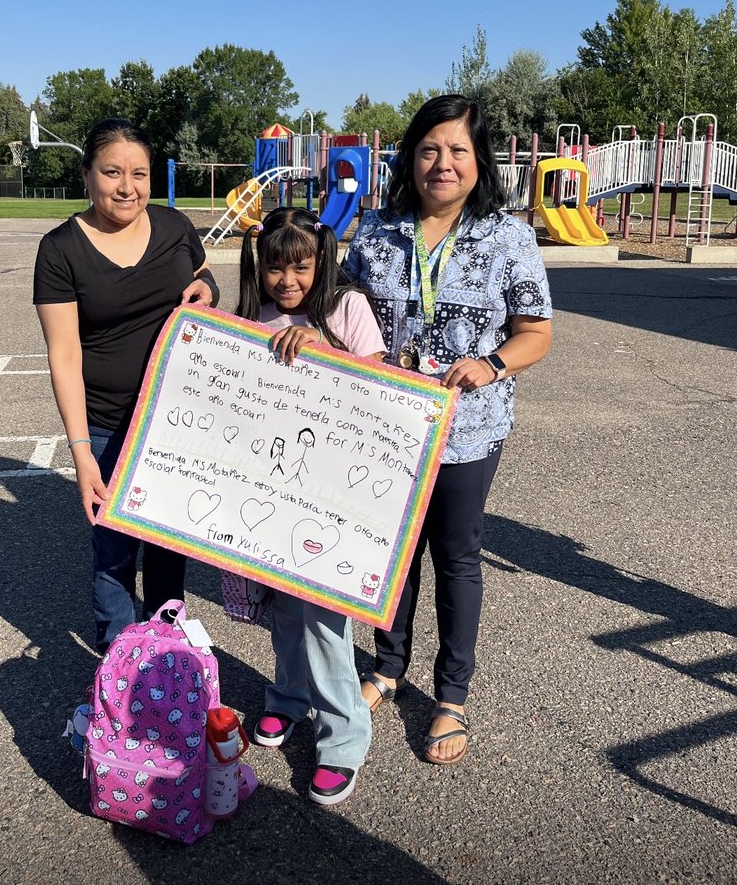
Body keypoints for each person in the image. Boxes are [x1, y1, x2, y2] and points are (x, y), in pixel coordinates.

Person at [342, 96, 552, 765]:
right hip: (387, 424)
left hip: (467, 429)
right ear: (410, 157)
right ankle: (386, 668)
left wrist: (490, 365)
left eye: (458, 150)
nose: (443, 163)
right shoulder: (376, 230)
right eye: (430, 149)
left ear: (479, 161)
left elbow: (536, 333)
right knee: (392, 551)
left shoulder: (507, 236)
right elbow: (336, 313)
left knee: (455, 554)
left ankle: (451, 696)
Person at [33, 118, 219, 653]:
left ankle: (167, 650)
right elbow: (64, 355)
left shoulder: (173, 226)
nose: (127, 186)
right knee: (114, 549)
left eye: (139, 173)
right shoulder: (61, 249)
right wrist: (81, 454)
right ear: (87, 175)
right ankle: (119, 661)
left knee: (166, 545)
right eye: (112, 172)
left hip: (175, 420)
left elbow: (204, 277)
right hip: (107, 422)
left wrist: (205, 289)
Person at [235, 207, 386, 806]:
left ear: (320, 260)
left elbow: (379, 386)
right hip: (271, 486)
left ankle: (345, 737)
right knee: (283, 607)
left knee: (326, 616)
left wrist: (323, 347)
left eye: (300, 266)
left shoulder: (346, 309)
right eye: (275, 268)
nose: (288, 281)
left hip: (334, 489)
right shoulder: (249, 316)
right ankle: (288, 697)